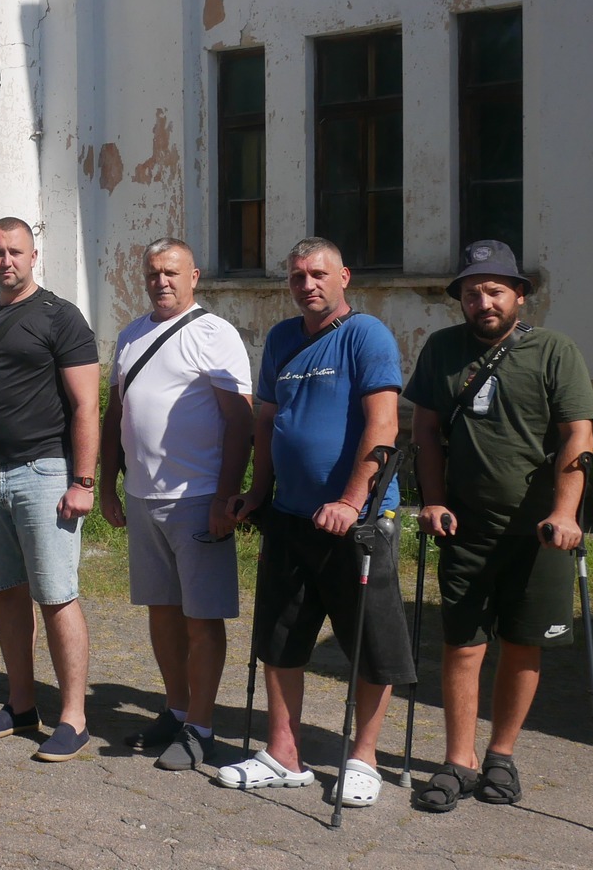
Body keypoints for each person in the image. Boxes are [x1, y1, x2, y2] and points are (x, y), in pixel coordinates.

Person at [405, 240, 593, 813]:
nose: (483, 302)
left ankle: (501, 755)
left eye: (494, 291)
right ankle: (457, 761)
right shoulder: (442, 349)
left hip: (539, 533)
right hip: (464, 527)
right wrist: (432, 500)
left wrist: (564, 513)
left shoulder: (555, 351)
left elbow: (579, 433)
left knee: (523, 643)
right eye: (472, 293)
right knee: (462, 644)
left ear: (519, 294)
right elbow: (425, 431)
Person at [219, 238, 413, 809]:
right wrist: (257, 493)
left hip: (357, 524)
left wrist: (352, 501)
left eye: (319, 274)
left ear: (344, 276)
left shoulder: (367, 336)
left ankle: (363, 759)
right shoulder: (282, 338)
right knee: (279, 640)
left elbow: (384, 423)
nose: (307, 284)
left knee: (370, 644)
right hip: (290, 517)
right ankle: (284, 756)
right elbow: (266, 422)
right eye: (298, 276)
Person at [97, 237, 254, 771]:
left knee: (201, 616)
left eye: (170, 272)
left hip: (197, 497)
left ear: (194, 276)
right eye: (152, 273)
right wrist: (107, 484)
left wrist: (226, 497)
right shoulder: (131, 335)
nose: (160, 281)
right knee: (162, 612)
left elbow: (240, 420)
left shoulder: (215, 334)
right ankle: (177, 709)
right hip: (143, 497)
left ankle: (202, 728)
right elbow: (116, 414)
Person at [0, 218, 102, 762]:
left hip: (45, 474)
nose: (6, 261)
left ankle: (74, 717)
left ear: (33, 255)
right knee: (7, 591)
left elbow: (86, 405)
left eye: (15, 251)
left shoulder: (61, 317)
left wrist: (83, 481)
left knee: (56, 595)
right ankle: (20, 704)